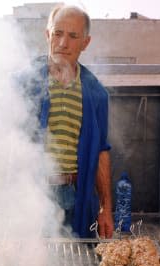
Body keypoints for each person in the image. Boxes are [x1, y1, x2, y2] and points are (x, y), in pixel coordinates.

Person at [19, 3, 114, 239]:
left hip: (76, 195)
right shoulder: (23, 82)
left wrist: (106, 208)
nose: (63, 43)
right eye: (58, 33)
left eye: (73, 36)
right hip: (31, 194)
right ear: (47, 34)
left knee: (76, 265)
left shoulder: (96, 93)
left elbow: (101, 151)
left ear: (85, 42)